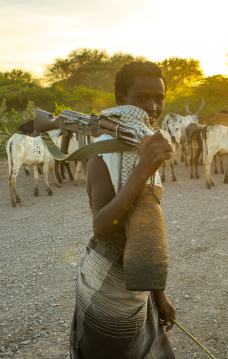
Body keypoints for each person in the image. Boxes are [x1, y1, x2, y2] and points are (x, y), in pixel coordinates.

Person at [70, 61, 176, 358]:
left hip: (137, 277)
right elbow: (103, 228)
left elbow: (142, 226)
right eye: (141, 98)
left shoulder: (143, 144)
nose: (152, 107)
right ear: (120, 98)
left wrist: (159, 296)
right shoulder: (102, 150)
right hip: (107, 283)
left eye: (159, 98)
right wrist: (142, 170)